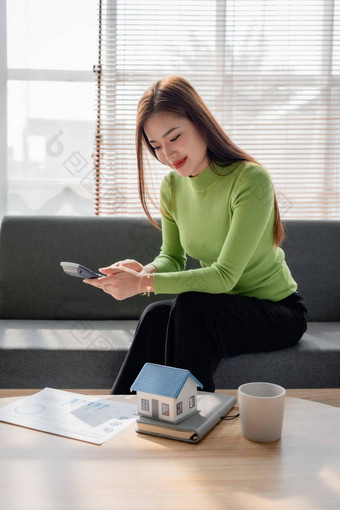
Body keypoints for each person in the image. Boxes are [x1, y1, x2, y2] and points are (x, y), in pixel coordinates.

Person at [84, 75, 308, 394]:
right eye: (156, 146)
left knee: (190, 307)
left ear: (201, 124)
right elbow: (173, 258)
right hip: (220, 307)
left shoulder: (250, 180)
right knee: (156, 315)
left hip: (278, 312)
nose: (167, 154)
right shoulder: (172, 187)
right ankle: (119, 412)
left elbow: (225, 277)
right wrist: (145, 271)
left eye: (174, 137)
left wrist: (142, 285)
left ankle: (189, 414)